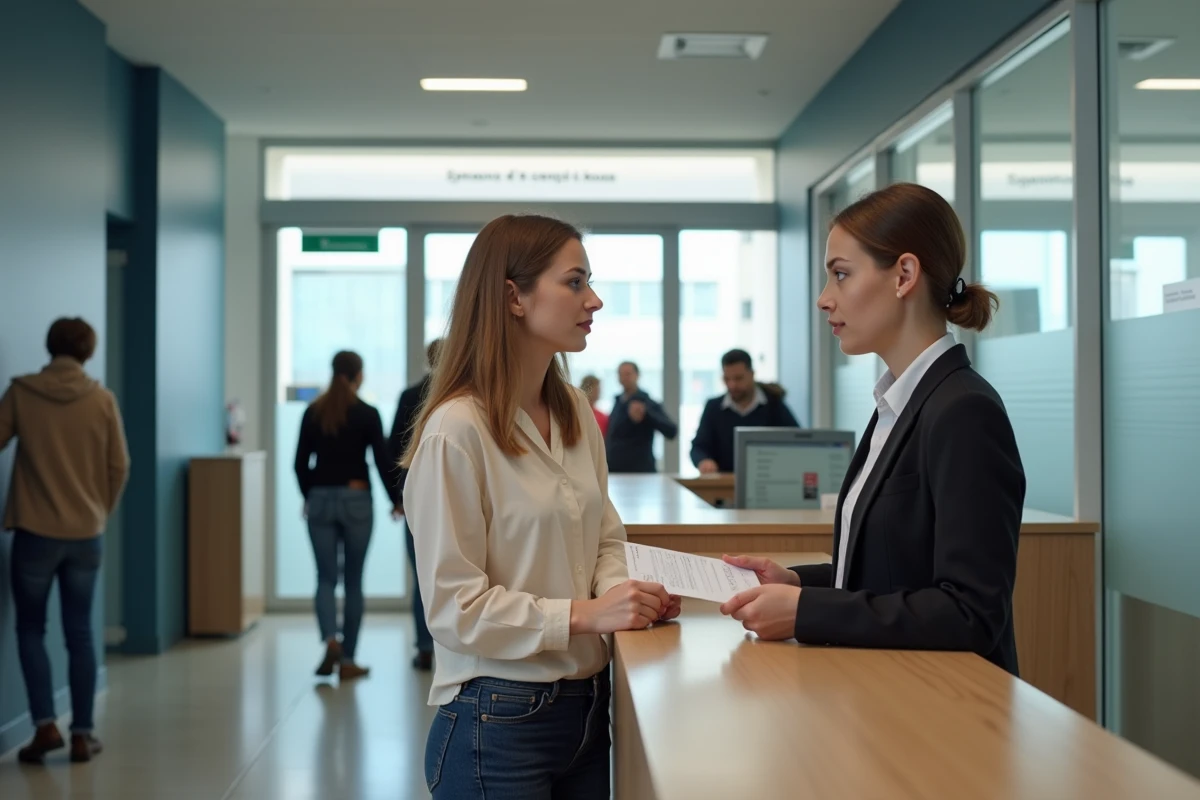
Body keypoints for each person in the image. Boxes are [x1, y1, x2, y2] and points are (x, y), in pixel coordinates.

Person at [400, 214, 680, 800]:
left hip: (588, 711)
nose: (594, 300)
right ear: (514, 297)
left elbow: (604, 535)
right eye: (575, 282)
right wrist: (588, 614)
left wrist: (625, 596)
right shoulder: (456, 430)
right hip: (496, 722)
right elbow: (453, 609)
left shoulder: (575, 409)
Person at [719, 183, 1025, 676]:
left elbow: (970, 612)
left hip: (948, 710)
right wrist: (797, 584)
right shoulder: (899, 403)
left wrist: (806, 613)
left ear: (904, 274)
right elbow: (890, 570)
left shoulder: (964, 410)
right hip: (887, 691)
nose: (824, 300)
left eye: (840, 275)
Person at [0, 317, 129, 764]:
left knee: (31, 629)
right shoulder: (102, 400)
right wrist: (98, 511)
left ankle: (44, 727)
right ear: (88, 352)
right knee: (80, 633)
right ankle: (82, 734)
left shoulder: (21, 392)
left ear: (49, 345)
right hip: (85, 535)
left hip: (34, 532)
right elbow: (120, 467)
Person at [294, 350, 401, 681]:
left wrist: (310, 494)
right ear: (359, 375)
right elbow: (383, 461)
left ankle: (330, 641)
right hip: (357, 499)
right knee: (353, 580)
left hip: (321, 501)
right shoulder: (367, 413)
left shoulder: (313, 412)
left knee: (325, 578)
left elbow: (300, 463)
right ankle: (349, 657)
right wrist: (396, 500)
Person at [388, 338, 443, 671]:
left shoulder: (411, 396)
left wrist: (398, 496)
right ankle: (451, 644)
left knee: (422, 573)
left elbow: (394, 447)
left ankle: (425, 647)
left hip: (416, 495)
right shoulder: (464, 394)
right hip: (452, 492)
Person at [689, 349, 801, 474]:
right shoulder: (713, 407)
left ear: (752, 374)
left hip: (767, 480)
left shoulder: (773, 405)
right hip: (723, 484)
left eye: (738, 378)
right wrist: (703, 461)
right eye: (727, 379)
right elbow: (698, 447)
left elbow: (796, 441)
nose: (732, 385)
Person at [605, 361, 677, 473]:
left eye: (628, 374)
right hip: (615, 470)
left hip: (641, 471)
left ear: (637, 375)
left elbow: (671, 430)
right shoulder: (618, 402)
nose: (624, 378)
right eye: (621, 374)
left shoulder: (647, 403)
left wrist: (646, 414)